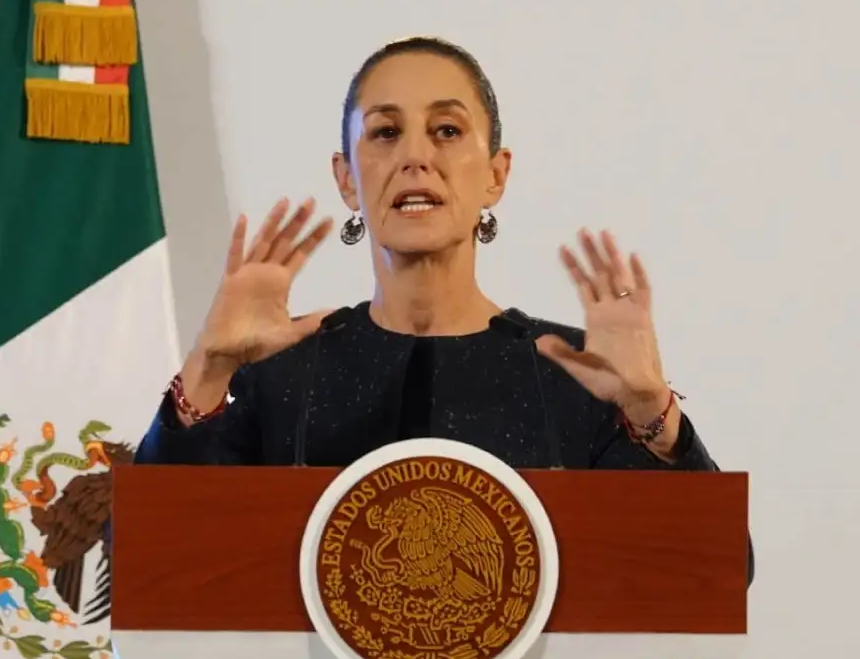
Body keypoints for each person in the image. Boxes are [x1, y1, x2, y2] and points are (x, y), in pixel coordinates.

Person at [136, 36, 718, 473]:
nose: (415, 156)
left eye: (446, 131)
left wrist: (651, 410)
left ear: (496, 174)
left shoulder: (576, 373)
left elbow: (715, 573)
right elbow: (138, 558)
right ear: (346, 179)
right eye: (385, 133)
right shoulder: (279, 373)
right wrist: (209, 369)